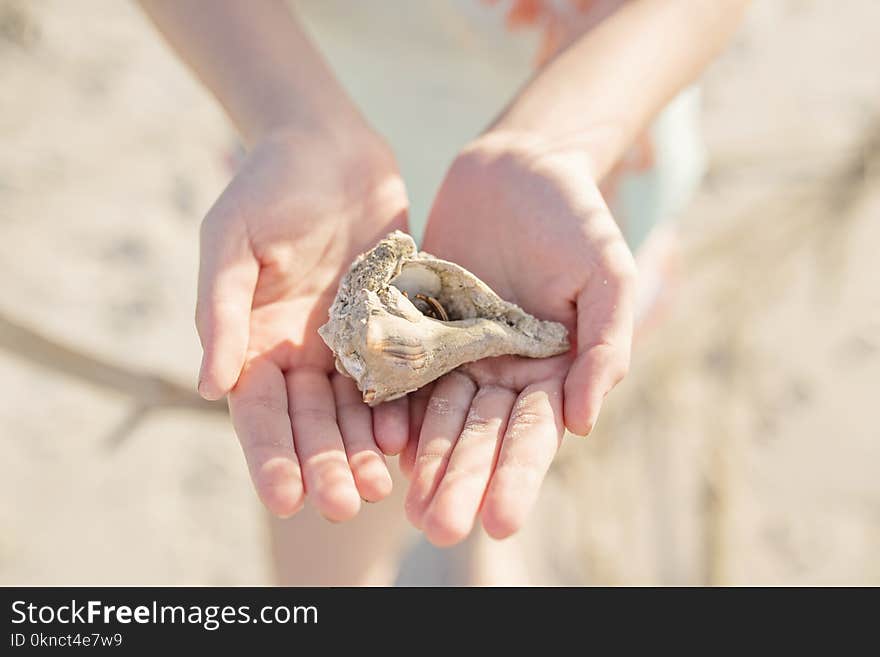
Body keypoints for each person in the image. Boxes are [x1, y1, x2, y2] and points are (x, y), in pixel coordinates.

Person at [139, 0, 749, 585]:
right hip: (323, 187)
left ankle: (475, 550)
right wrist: (295, 121)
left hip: (575, 182)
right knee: (333, 518)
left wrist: (551, 142)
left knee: (499, 429)